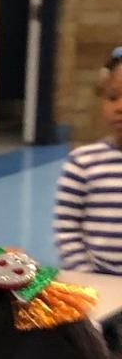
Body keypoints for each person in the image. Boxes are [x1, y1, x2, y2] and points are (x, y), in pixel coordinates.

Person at [54, 45, 122, 274]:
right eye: (112, 97)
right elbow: (66, 227)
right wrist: (84, 273)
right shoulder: (83, 162)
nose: (119, 107)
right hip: (97, 281)